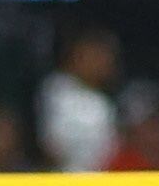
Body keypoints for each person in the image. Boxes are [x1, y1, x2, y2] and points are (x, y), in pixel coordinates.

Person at [35, 26, 122, 174]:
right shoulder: (57, 88)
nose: (101, 63)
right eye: (95, 56)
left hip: (100, 178)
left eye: (106, 58)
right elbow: (52, 145)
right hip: (63, 177)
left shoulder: (107, 100)